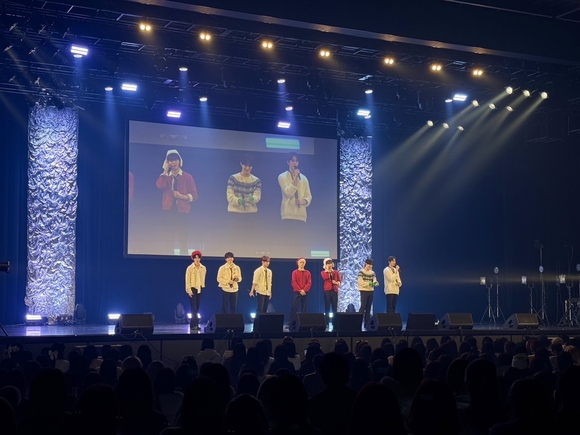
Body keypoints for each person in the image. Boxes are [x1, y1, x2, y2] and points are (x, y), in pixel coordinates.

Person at [155, 149, 198, 255]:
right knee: (168, 240)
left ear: (179, 161)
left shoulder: (187, 177)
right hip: (168, 212)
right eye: (170, 161)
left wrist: (181, 196)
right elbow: (160, 186)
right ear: (167, 162)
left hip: (182, 213)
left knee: (183, 240)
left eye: (175, 160)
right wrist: (165, 171)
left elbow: (194, 196)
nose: (173, 163)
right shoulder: (165, 176)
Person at [278, 152, 312, 222]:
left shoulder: (304, 178)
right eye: (293, 160)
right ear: (288, 162)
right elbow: (289, 193)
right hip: (288, 215)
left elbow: (308, 196)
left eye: (296, 161)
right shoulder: (282, 177)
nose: (295, 163)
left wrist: (302, 202)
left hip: (301, 216)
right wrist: (295, 178)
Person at [185, 250, 206, 331]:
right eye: (195, 258)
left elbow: (203, 279)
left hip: (200, 288)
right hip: (192, 288)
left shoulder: (203, 268)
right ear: (193, 259)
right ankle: (195, 325)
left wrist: (202, 287)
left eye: (198, 258)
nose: (197, 259)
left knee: (197, 307)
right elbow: (187, 280)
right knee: (193, 308)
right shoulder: (190, 268)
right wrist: (189, 290)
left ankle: (193, 325)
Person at [289, 257, 312, 323]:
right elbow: (294, 282)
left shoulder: (307, 272)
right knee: (294, 307)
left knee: (304, 308)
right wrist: (300, 290)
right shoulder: (295, 272)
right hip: (297, 292)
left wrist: (304, 290)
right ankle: (291, 322)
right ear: (298, 263)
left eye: (303, 262)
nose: (302, 264)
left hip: (305, 292)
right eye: (301, 262)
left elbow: (309, 282)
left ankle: (303, 322)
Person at [358, 258, 379, 327]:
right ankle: (359, 322)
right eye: (369, 264)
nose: (370, 266)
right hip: (363, 291)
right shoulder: (361, 272)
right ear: (366, 264)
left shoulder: (372, 273)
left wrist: (375, 283)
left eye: (371, 265)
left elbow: (374, 280)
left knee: (368, 307)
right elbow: (361, 282)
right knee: (363, 307)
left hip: (371, 291)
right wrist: (369, 284)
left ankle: (366, 323)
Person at [321, 258, 340, 327]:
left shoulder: (336, 272)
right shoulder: (323, 272)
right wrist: (328, 271)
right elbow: (325, 278)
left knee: (334, 307)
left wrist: (336, 282)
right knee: (327, 307)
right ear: (325, 265)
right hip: (327, 291)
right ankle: (326, 322)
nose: (329, 265)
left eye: (330, 264)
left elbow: (339, 281)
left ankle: (335, 322)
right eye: (328, 264)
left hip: (334, 291)